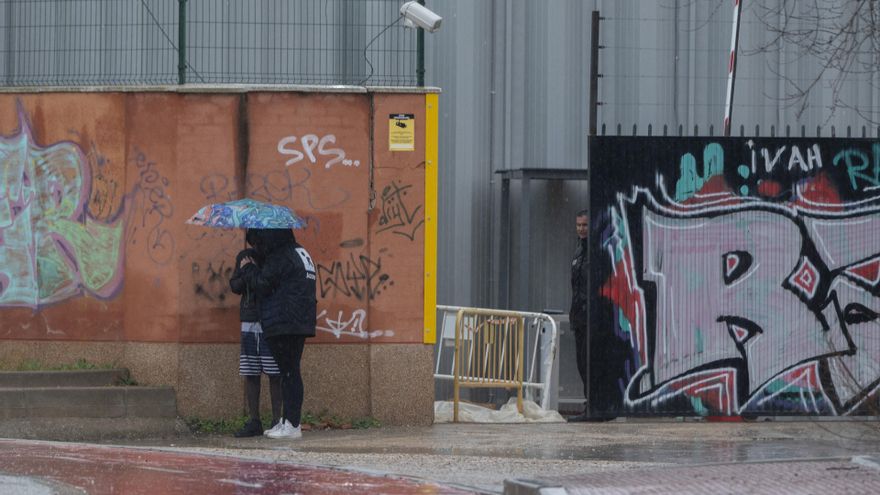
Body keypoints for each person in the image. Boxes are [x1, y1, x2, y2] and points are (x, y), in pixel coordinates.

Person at [239, 228, 316, 439]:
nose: (258, 247)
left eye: (258, 242)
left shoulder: (280, 255)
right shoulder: (300, 252)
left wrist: (248, 269)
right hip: (299, 319)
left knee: (289, 373)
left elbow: (263, 284)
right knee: (289, 372)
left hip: (285, 320)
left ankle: (292, 424)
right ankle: (287, 422)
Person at [229, 231, 282, 437]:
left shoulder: (276, 258)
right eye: (254, 242)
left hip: (271, 320)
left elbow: (270, 285)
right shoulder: (244, 257)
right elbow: (234, 286)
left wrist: (253, 270)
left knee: (274, 373)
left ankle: (277, 420)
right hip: (250, 320)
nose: (257, 245)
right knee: (251, 372)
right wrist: (245, 272)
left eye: (260, 241)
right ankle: (254, 420)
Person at [567, 209, 591, 422]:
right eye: (579, 225)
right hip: (579, 318)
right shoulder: (578, 252)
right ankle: (589, 404)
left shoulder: (595, 251)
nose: (582, 229)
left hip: (589, 317)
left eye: (585, 225)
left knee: (588, 362)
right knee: (581, 363)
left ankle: (592, 405)